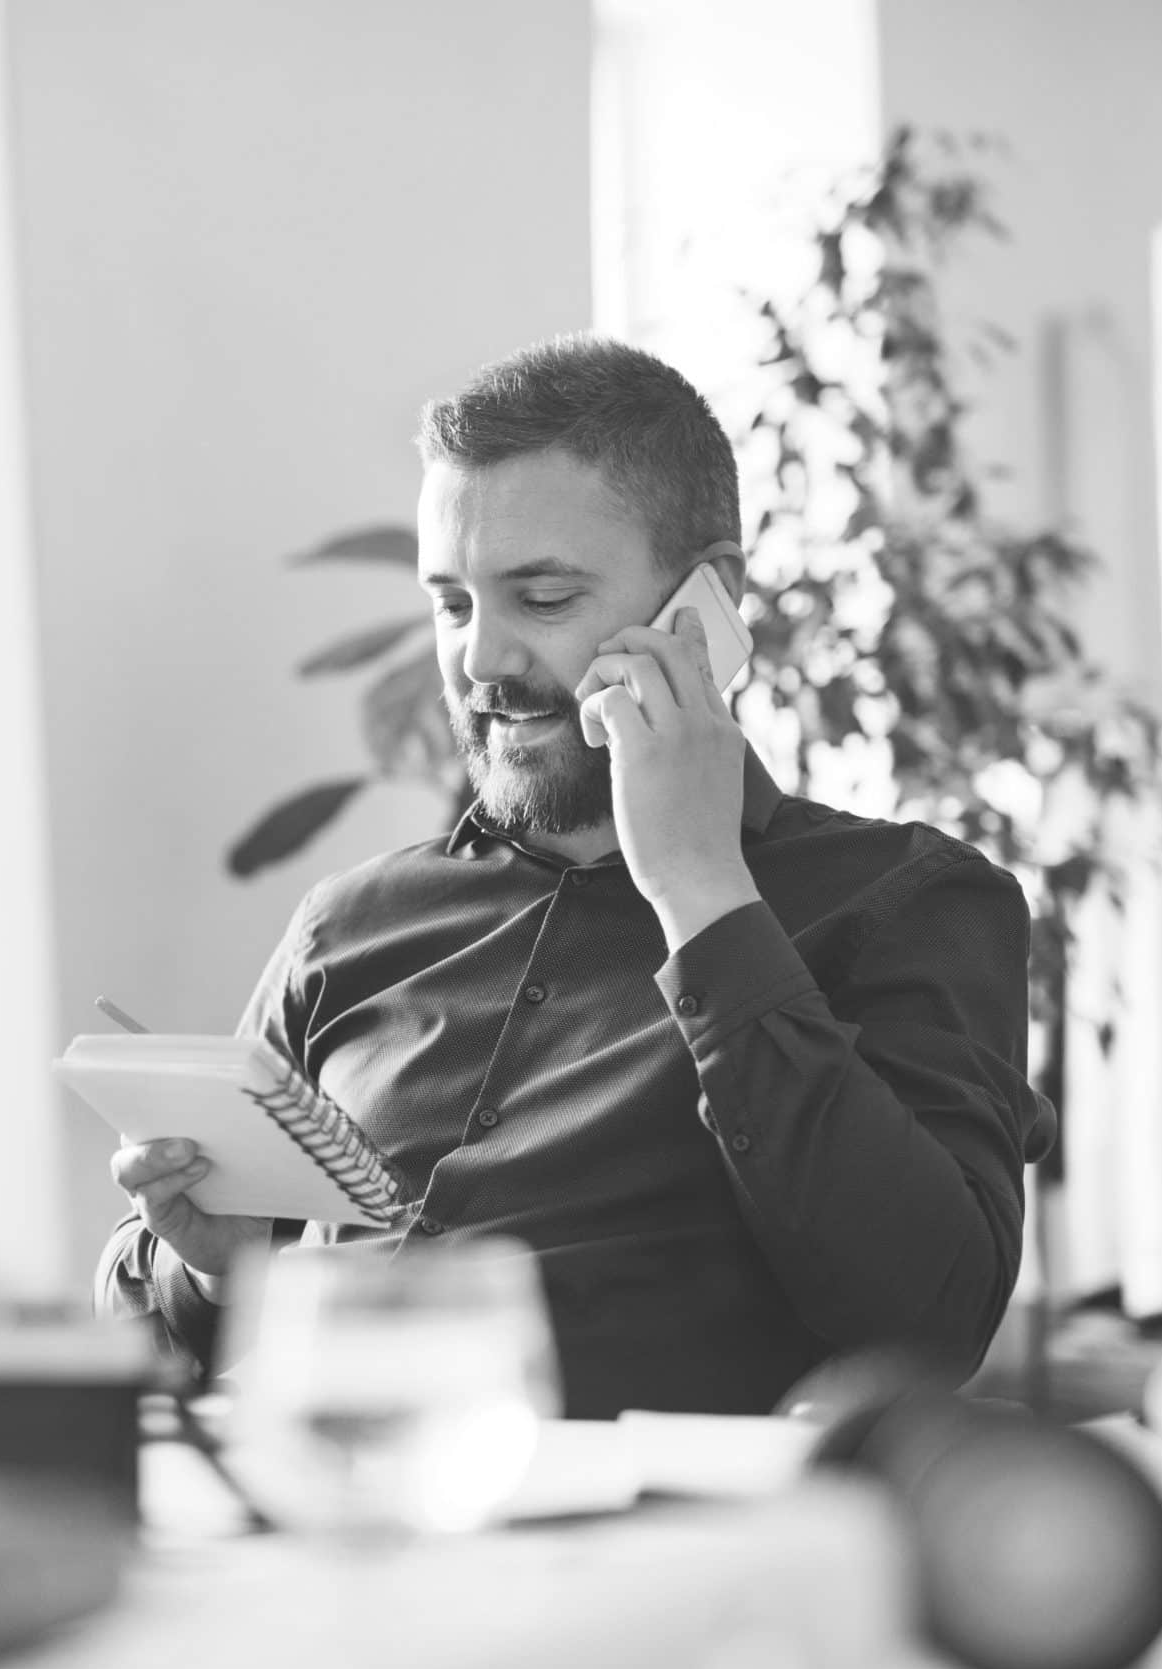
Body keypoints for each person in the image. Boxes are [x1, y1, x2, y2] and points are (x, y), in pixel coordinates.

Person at [96, 335, 1054, 1418]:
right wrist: (218, 1272)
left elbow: (929, 1322)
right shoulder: (349, 925)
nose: (480, 663)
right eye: (452, 604)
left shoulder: (907, 902)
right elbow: (138, 1340)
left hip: (650, 1558)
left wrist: (699, 890)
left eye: (540, 600)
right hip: (334, 1525)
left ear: (705, 607)